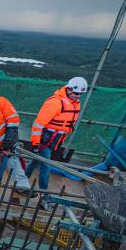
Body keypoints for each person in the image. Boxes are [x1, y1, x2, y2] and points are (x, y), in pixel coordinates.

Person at [26, 77, 88, 209]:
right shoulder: (55, 103)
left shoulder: (75, 103)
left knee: (35, 161)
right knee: (46, 166)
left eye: (80, 94)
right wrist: (36, 144)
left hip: (54, 140)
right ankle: (45, 196)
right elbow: (38, 124)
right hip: (44, 140)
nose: (78, 97)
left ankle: (21, 182)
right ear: (69, 88)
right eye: (76, 93)